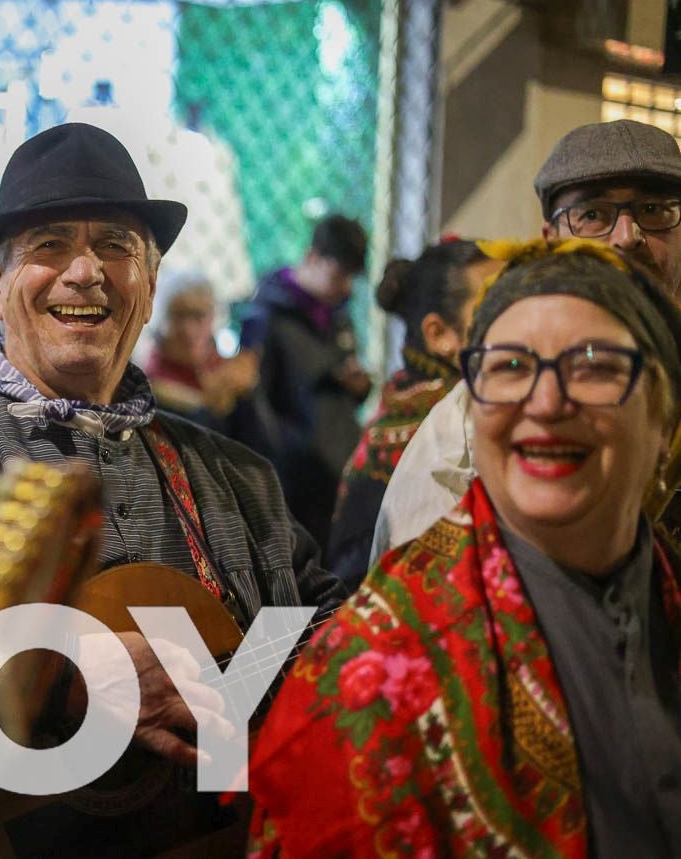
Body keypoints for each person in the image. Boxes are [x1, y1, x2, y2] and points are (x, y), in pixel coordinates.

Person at [0, 122, 344, 852]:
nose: (86, 271)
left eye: (117, 246)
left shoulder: (237, 476)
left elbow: (332, 637)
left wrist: (216, 681)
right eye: (51, 245)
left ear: (149, 287)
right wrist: (66, 676)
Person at [248, 240, 681, 858]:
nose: (546, 402)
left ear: (664, 416)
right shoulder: (373, 675)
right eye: (510, 367)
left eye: (593, 365)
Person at [372, 119, 681, 560]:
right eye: (593, 215)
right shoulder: (477, 419)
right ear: (550, 240)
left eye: (654, 210)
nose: (628, 237)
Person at [327, 240, 500, 590]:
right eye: (495, 307)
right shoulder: (439, 429)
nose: (518, 320)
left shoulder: (406, 407)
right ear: (439, 334)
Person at [239, 214, 372, 552]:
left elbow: (337, 399)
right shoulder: (268, 315)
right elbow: (257, 407)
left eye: (350, 278)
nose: (345, 287)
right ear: (313, 257)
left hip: (338, 478)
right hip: (292, 486)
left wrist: (359, 388)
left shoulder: (337, 316)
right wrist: (290, 458)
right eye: (338, 275)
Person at [144, 270, 260, 434]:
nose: (189, 330)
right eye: (179, 316)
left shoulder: (229, 372)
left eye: (198, 316)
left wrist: (248, 395)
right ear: (163, 319)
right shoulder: (148, 382)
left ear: (213, 317)